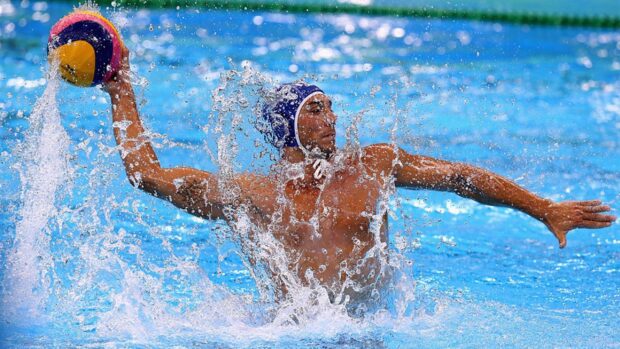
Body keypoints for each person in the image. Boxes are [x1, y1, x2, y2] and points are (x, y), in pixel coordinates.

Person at [104, 45, 615, 313]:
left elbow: (462, 178)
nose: (332, 119)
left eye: (331, 108)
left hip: (372, 330)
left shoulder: (372, 164)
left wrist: (543, 207)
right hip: (294, 331)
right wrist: (118, 89)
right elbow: (148, 175)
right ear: (289, 127)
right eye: (317, 109)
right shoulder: (255, 193)